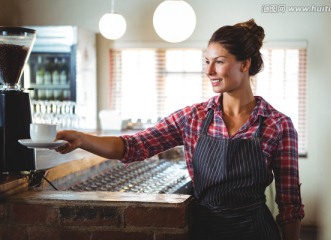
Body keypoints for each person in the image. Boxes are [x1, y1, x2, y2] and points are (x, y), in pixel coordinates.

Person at [55, 19, 304, 240]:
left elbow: (290, 204)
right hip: (204, 229)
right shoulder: (192, 118)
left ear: (245, 64)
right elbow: (134, 146)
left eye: (219, 62)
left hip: (255, 232)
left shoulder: (278, 125)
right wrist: (82, 139)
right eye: (207, 62)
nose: (209, 71)